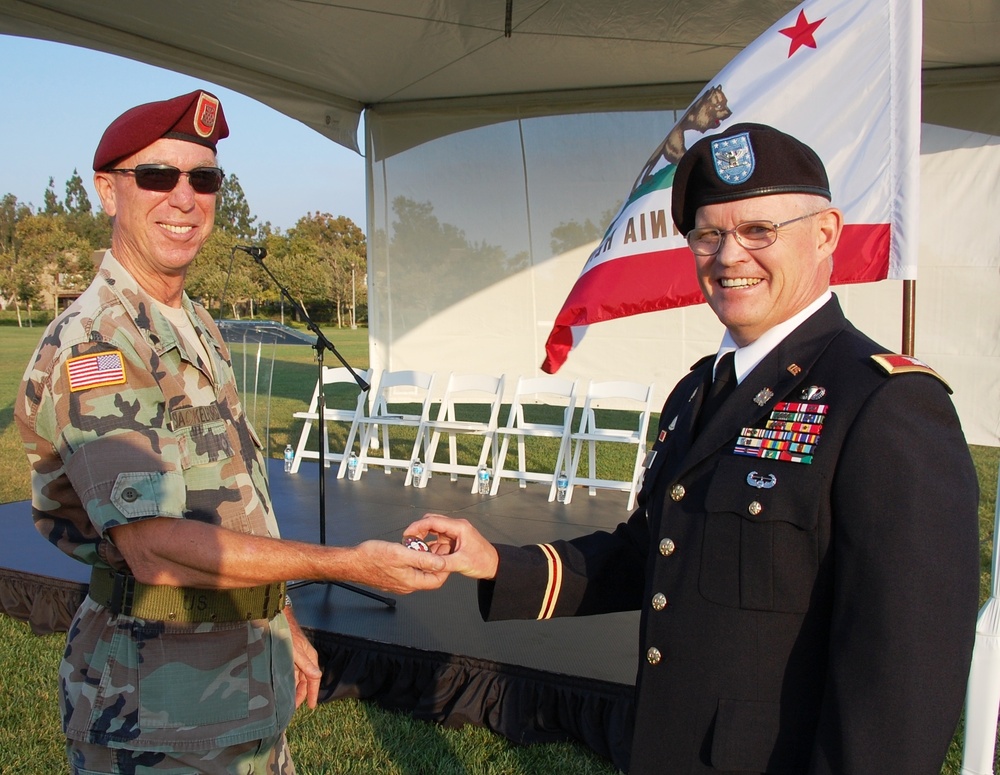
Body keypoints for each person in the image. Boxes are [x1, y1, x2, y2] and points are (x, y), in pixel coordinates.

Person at [407, 123, 980, 774]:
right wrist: (496, 562)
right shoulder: (695, 395)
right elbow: (648, 553)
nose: (730, 256)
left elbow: (902, 678)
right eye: (708, 234)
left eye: (759, 230)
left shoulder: (883, 403)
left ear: (825, 234)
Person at [15, 89, 447, 775]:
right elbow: (154, 546)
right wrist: (345, 564)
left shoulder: (194, 323)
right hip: (155, 712)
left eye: (204, 178)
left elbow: (235, 501)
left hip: (241, 683)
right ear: (107, 191)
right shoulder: (99, 345)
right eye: (157, 176)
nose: (184, 198)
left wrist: (284, 623)